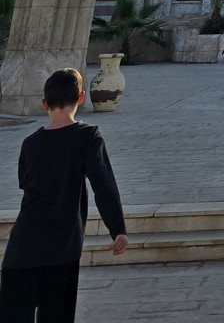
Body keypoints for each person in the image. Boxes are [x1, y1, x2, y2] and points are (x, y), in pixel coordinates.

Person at [0, 68, 128, 323]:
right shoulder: (88, 136)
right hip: (62, 249)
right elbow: (103, 185)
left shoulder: (30, 143)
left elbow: (25, 184)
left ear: (44, 103)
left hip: (21, 250)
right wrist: (117, 229)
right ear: (81, 97)